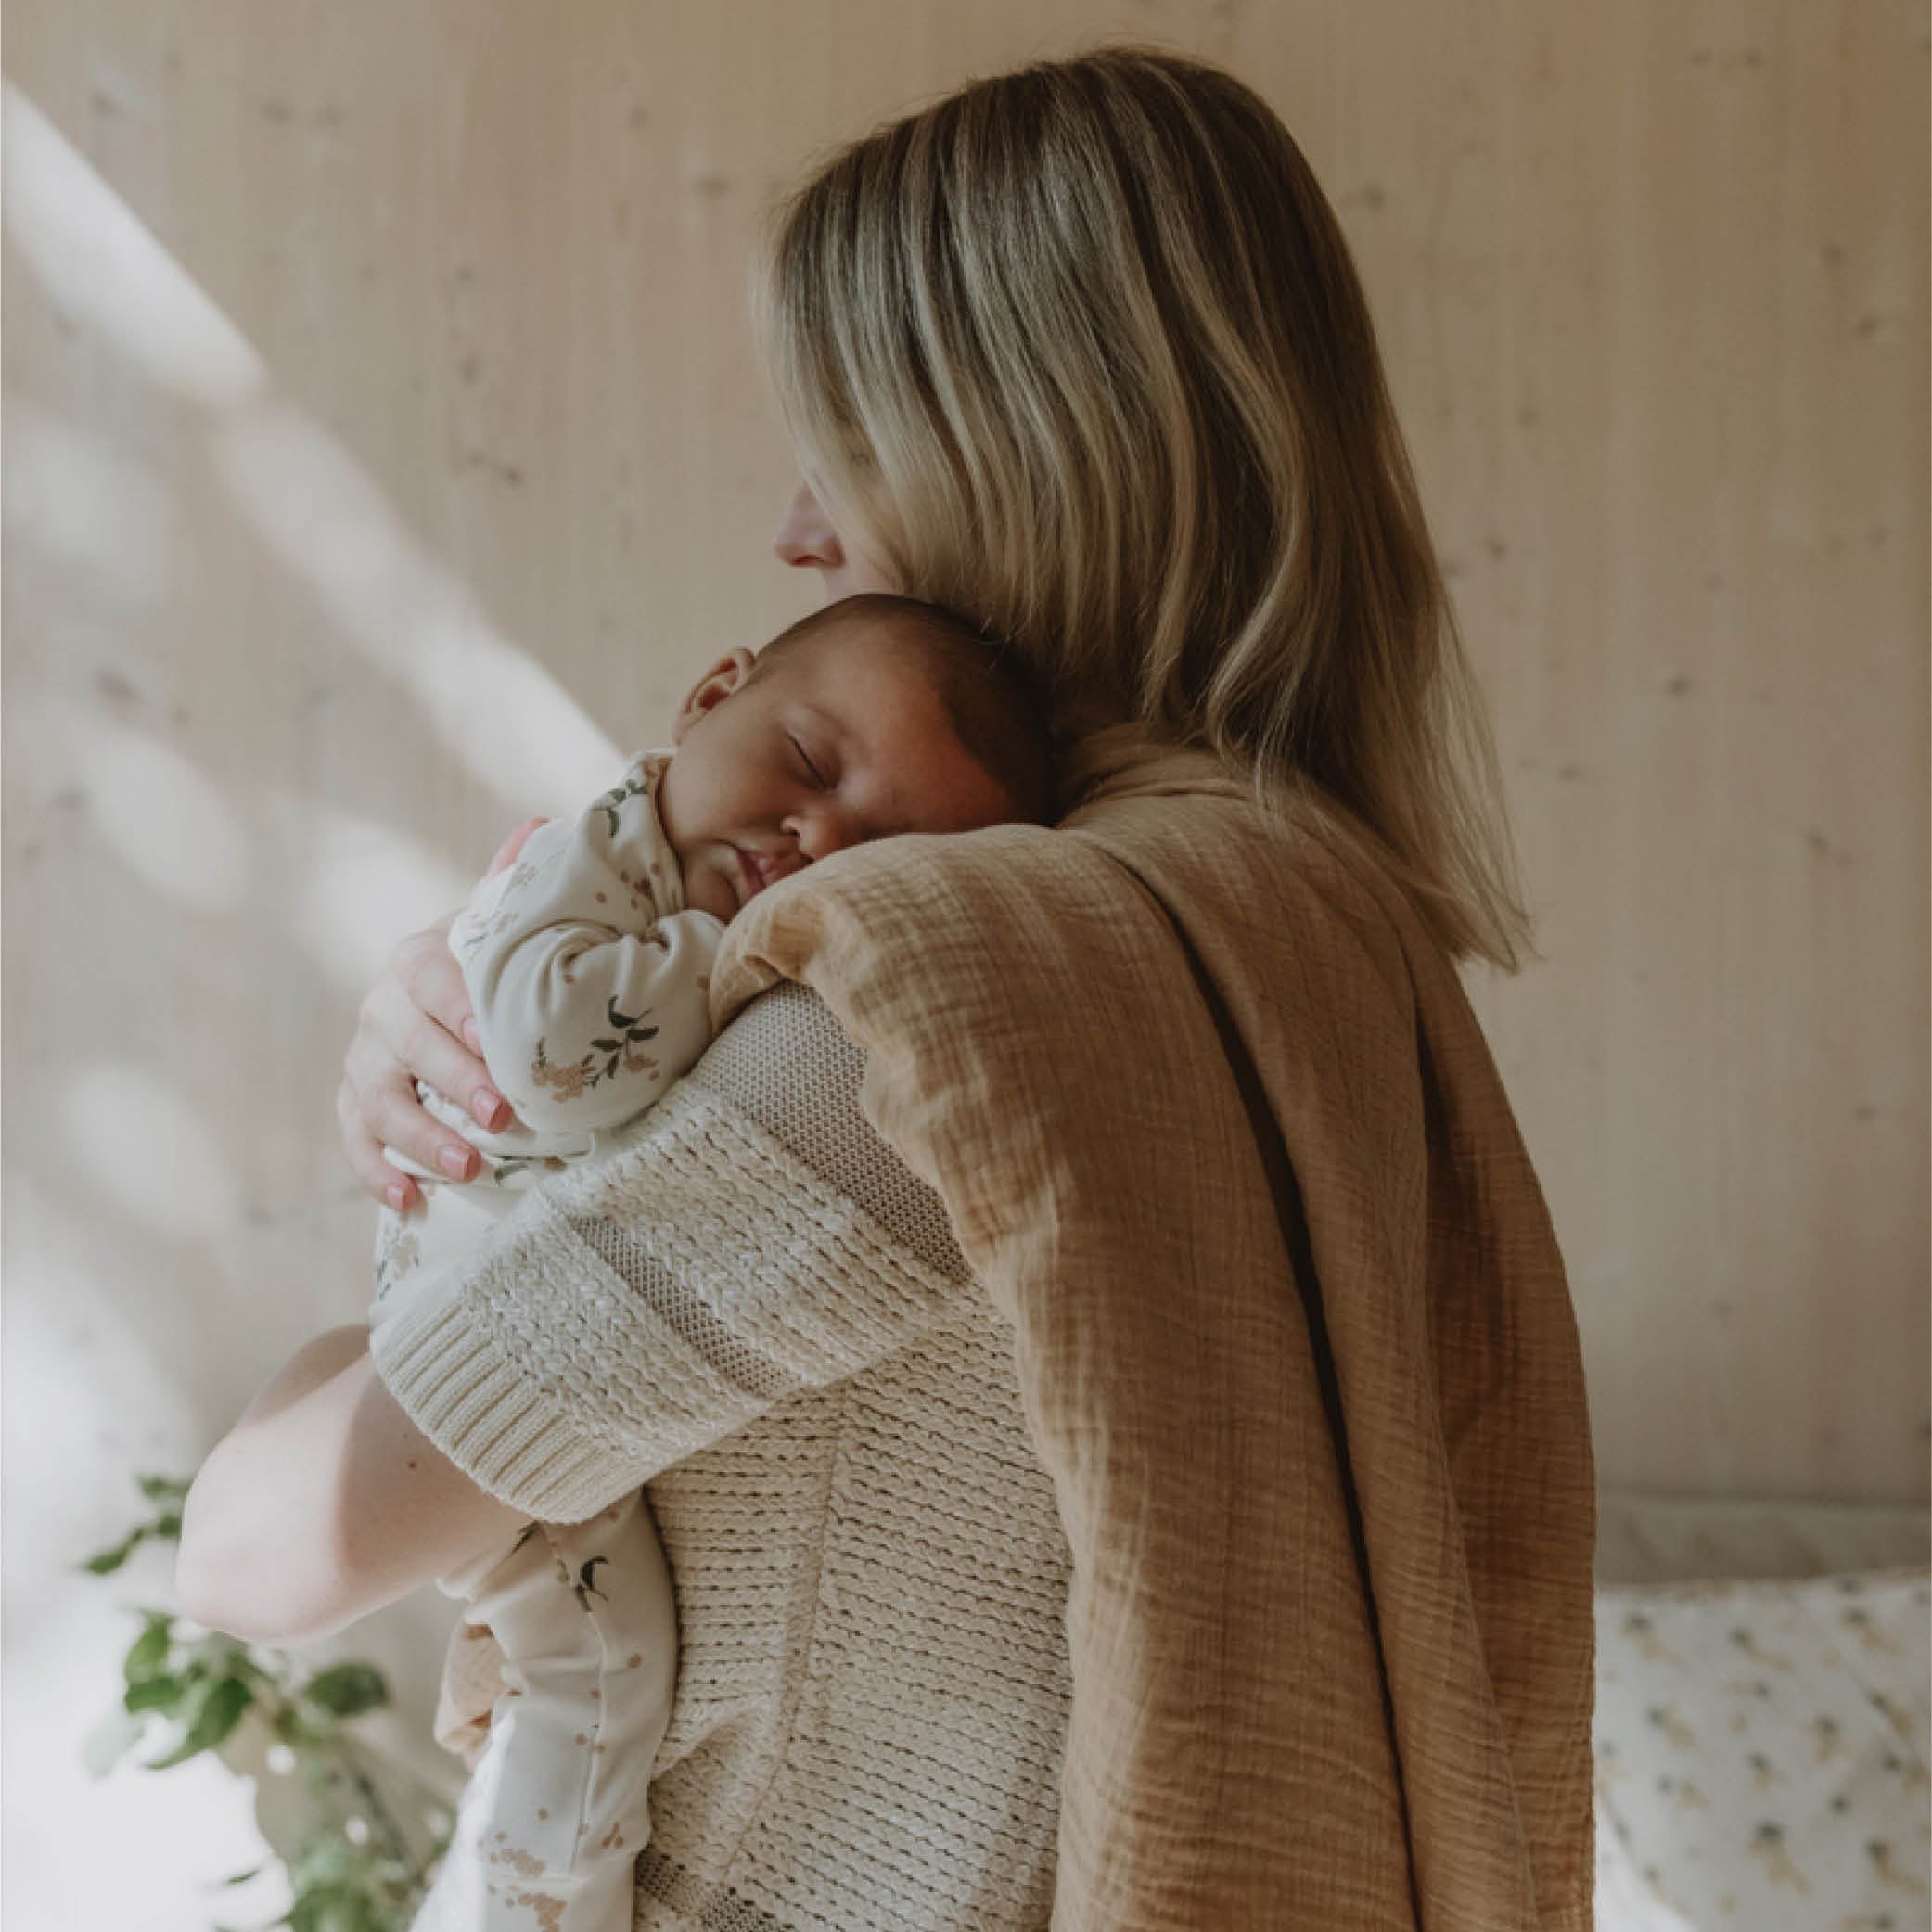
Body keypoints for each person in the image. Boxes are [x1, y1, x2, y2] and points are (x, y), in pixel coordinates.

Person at [180, 46, 1598, 1932]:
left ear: (1024, 447)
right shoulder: (1301, 908)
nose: (791, 533)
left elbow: (265, 1547)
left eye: (841, 452)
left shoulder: (940, 1007)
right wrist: (454, 1033)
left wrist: (417, 1228)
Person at [365, 593, 1053, 1932]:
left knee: (595, 1661)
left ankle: (542, 1882)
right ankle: (538, 1898)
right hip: (459, 1304)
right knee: (599, 1666)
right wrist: (736, 958)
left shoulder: (656, 889)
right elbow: (559, 1066)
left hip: (488, 1305)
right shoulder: (591, 863)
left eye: (884, 852)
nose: (820, 841)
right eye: (809, 767)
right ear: (709, 693)